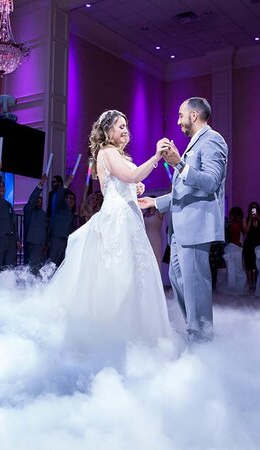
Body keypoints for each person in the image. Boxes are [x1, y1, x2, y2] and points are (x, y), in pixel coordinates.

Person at [47, 109, 171, 345]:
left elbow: (125, 181)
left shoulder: (118, 155)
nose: (126, 130)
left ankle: (135, 331)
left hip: (130, 217)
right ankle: (116, 333)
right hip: (118, 219)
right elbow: (131, 176)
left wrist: (135, 188)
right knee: (119, 272)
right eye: (120, 126)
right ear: (107, 130)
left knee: (135, 273)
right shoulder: (107, 151)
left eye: (126, 126)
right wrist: (156, 158)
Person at [139, 97, 229, 342]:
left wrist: (179, 164)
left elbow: (211, 182)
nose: (178, 121)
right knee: (179, 282)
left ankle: (202, 339)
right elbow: (185, 191)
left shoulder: (213, 140)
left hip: (196, 226)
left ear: (194, 115)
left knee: (196, 285)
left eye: (181, 115)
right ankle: (195, 333)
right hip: (179, 230)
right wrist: (155, 202)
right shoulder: (193, 145)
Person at [0, 161, 19, 272]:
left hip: (11, 239)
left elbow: (14, 223)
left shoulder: (8, 204)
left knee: (9, 267)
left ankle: (8, 287)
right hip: (0, 237)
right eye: (0, 186)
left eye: (3, 186)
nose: (2, 188)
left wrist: (17, 239)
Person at [48, 179, 77, 266]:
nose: (71, 200)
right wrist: (65, 185)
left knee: (61, 266)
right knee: (52, 264)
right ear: (64, 199)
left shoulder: (72, 214)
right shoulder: (59, 208)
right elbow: (59, 196)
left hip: (66, 241)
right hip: (57, 238)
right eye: (69, 198)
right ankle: (46, 279)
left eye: (73, 199)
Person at [24, 174, 48, 271]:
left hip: (42, 244)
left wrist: (46, 243)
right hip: (33, 242)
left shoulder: (43, 214)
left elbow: (46, 229)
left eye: (40, 201)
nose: (39, 203)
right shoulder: (29, 210)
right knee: (32, 266)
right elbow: (32, 199)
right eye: (37, 201)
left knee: (40, 267)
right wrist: (41, 184)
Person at [242, 202, 260, 294]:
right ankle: (250, 285)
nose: (254, 210)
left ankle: (256, 284)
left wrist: (259, 219)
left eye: (255, 208)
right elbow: (246, 231)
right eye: (252, 209)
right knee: (249, 265)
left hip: (258, 244)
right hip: (248, 244)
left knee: (257, 265)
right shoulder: (246, 219)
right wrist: (250, 220)